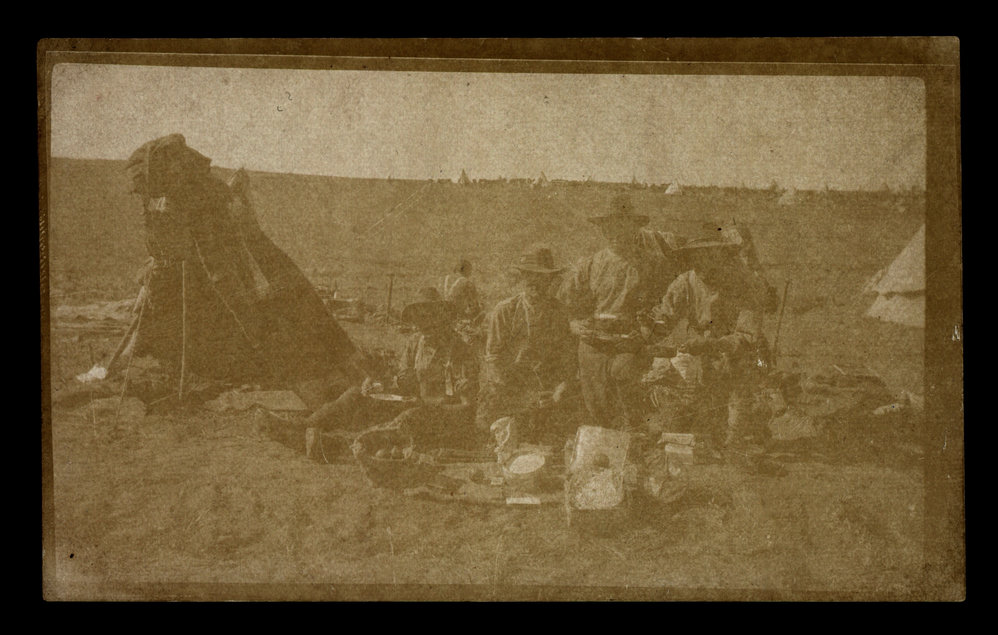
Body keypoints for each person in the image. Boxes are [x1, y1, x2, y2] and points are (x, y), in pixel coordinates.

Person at [260, 288, 479, 458]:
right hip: (415, 406)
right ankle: (303, 426)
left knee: (406, 420)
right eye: (419, 318)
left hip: (445, 420)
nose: (423, 325)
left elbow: (467, 407)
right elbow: (400, 383)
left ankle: (337, 446)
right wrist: (378, 384)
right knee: (356, 394)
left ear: (442, 317)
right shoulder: (416, 343)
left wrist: (432, 408)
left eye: (429, 317)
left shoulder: (460, 352)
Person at [556, 194, 685, 432]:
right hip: (595, 340)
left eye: (621, 225)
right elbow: (566, 301)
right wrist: (573, 323)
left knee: (626, 387)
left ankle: (636, 442)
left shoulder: (652, 263)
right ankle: (605, 448)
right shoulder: (592, 263)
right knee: (597, 403)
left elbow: (669, 303)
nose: (615, 232)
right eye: (609, 226)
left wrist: (647, 330)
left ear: (634, 227)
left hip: (632, 340)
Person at [649, 238, 774, 450]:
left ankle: (747, 428)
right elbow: (664, 316)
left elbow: (746, 337)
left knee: (736, 424)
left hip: (742, 355)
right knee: (699, 423)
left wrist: (710, 345)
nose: (703, 264)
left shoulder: (746, 284)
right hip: (702, 356)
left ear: (722, 256)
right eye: (696, 257)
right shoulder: (686, 282)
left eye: (709, 256)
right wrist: (650, 328)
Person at [475, 245, 578, 447]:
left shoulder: (560, 313)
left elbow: (568, 360)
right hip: (509, 388)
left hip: (546, 389)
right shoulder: (505, 311)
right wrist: (523, 396)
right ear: (522, 277)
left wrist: (560, 389)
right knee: (494, 432)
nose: (535, 282)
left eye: (542, 277)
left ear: (550, 280)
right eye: (530, 276)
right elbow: (494, 363)